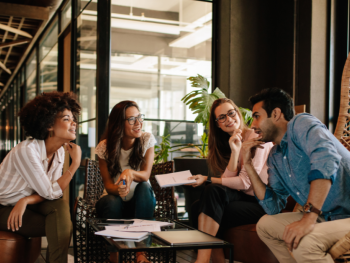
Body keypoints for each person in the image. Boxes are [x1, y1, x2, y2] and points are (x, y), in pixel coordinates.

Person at [241, 87, 350, 263]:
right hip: (327, 217)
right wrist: (248, 165)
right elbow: (273, 207)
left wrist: (309, 217)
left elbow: (326, 158)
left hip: (346, 215)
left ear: (276, 114)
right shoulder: (275, 156)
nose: (253, 125)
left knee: (306, 244)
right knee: (265, 225)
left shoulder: (301, 123)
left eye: (257, 116)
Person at [187, 98, 274, 263]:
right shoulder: (232, 142)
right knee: (198, 206)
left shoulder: (256, 136)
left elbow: (245, 183)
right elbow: (228, 183)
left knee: (209, 197)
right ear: (217, 124)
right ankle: (216, 261)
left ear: (237, 113)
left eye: (231, 113)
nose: (228, 119)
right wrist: (235, 151)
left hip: (264, 202)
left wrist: (207, 179)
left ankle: (202, 260)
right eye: (222, 117)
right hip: (245, 198)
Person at [0, 92, 82, 263]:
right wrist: (75, 165)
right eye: (67, 119)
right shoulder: (27, 150)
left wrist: (26, 201)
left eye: (73, 118)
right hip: (2, 207)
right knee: (59, 223)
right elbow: (51, 192)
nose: (74, 123)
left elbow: (54, 194)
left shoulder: (59, 152)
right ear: (49, 125)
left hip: (24, 205)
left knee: (59, 207)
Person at [95, 100, 156, 220]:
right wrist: (121, 190)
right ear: (118, 124)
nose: (138, 123)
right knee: (112, 202)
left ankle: (142, 237)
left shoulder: (146, 140)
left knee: (144, 187)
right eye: (132, 119)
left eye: (139, 117)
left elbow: (145, 175)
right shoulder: (104, 147)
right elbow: (108, 185)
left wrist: (130, 173)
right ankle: (113, 238)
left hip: (141, 200)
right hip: (114, 199)